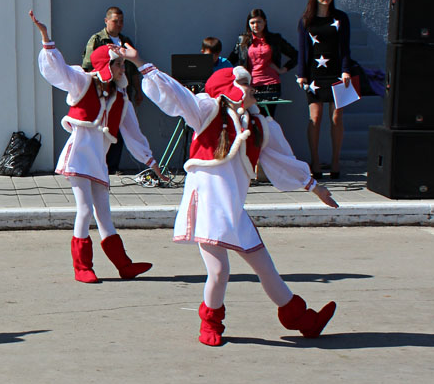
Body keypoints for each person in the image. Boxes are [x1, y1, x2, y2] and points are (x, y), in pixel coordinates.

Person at [135, 55, 338, 346]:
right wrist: (143, 65)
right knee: (219, 272)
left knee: (266, 269)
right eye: (245, 83)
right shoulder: (206, 112)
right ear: (230, 89)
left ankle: (303, 320)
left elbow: (282, 160)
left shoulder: (259, 125)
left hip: (233, 210)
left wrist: (314, 187)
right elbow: (179, 97)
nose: (252, 88)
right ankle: (210, 324)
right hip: (207, 206)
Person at [30, 11, 156, 284]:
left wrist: (151, 161)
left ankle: (124, 265)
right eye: (118, 64)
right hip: (78, 156)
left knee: (104, 214)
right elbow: (59, 71)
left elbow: (133, 132)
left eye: (123, 64)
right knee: (85, 210)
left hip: (98, 160)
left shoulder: (120, 97)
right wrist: (46, 39)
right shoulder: (83, 82)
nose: (122, 69)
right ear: (105, 65)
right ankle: (82, 267)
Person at [297, 0, 356, 179]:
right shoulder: (306, 20)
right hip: (314, 75)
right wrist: (302, 74)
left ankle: (335, 161)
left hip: (338, 72)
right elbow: (303, 49)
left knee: (337, 117)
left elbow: (346, 47)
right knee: (315, 117)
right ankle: (315, 161)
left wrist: (346, 70)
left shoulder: (341, 18)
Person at [83, 6, 140, 174]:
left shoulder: (126, 41)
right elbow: (88, 66)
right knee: (100, 126)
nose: (119, 24)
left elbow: (133, 69)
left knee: (118, 126)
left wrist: (138, 90)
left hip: (121, 89)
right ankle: (99, 164)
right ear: (106, 21)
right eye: (115, 21)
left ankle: (113, 166)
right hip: (102, 90)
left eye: (121, 21)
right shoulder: (97, 39)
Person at [228, 9, 297, 119]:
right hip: (250, 85)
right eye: (252, 22)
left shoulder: (274, 39)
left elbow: (295, 55)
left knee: (268, 118)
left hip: (271, 85)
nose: (256, 25)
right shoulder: (243, 40)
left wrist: (282, 70)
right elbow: (232, 59)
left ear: (265, 22)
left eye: (259, 22)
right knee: (251, 118)